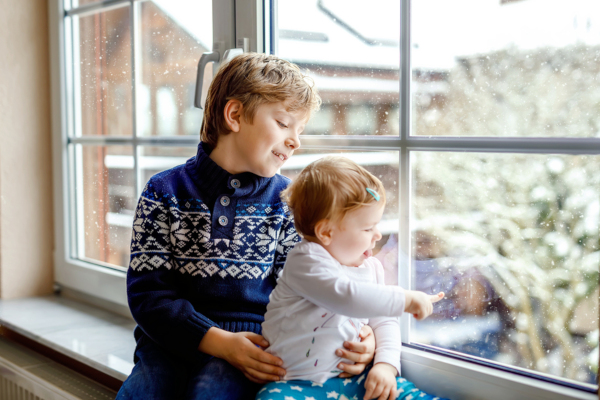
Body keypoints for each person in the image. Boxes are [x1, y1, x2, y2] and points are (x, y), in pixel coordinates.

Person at [116, 53, 376, 400]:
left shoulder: (289, 202)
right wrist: (218, 342)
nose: (295, 140)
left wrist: (364, 335)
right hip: (167, 344)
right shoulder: (164, 192)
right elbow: (149, 296)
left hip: (255, 347)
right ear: (235, 115)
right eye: (284, 123)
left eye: (299, 130)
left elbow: (317, 288)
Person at [258, 156, 448, 400]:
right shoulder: (304, 261)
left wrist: (386, 366)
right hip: (294, 384)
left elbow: (384, 321)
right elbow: (346, 296)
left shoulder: (371, 268)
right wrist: (405, 299)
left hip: (357, 378)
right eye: (368, 228)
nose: (377, 235)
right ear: (326, 232)